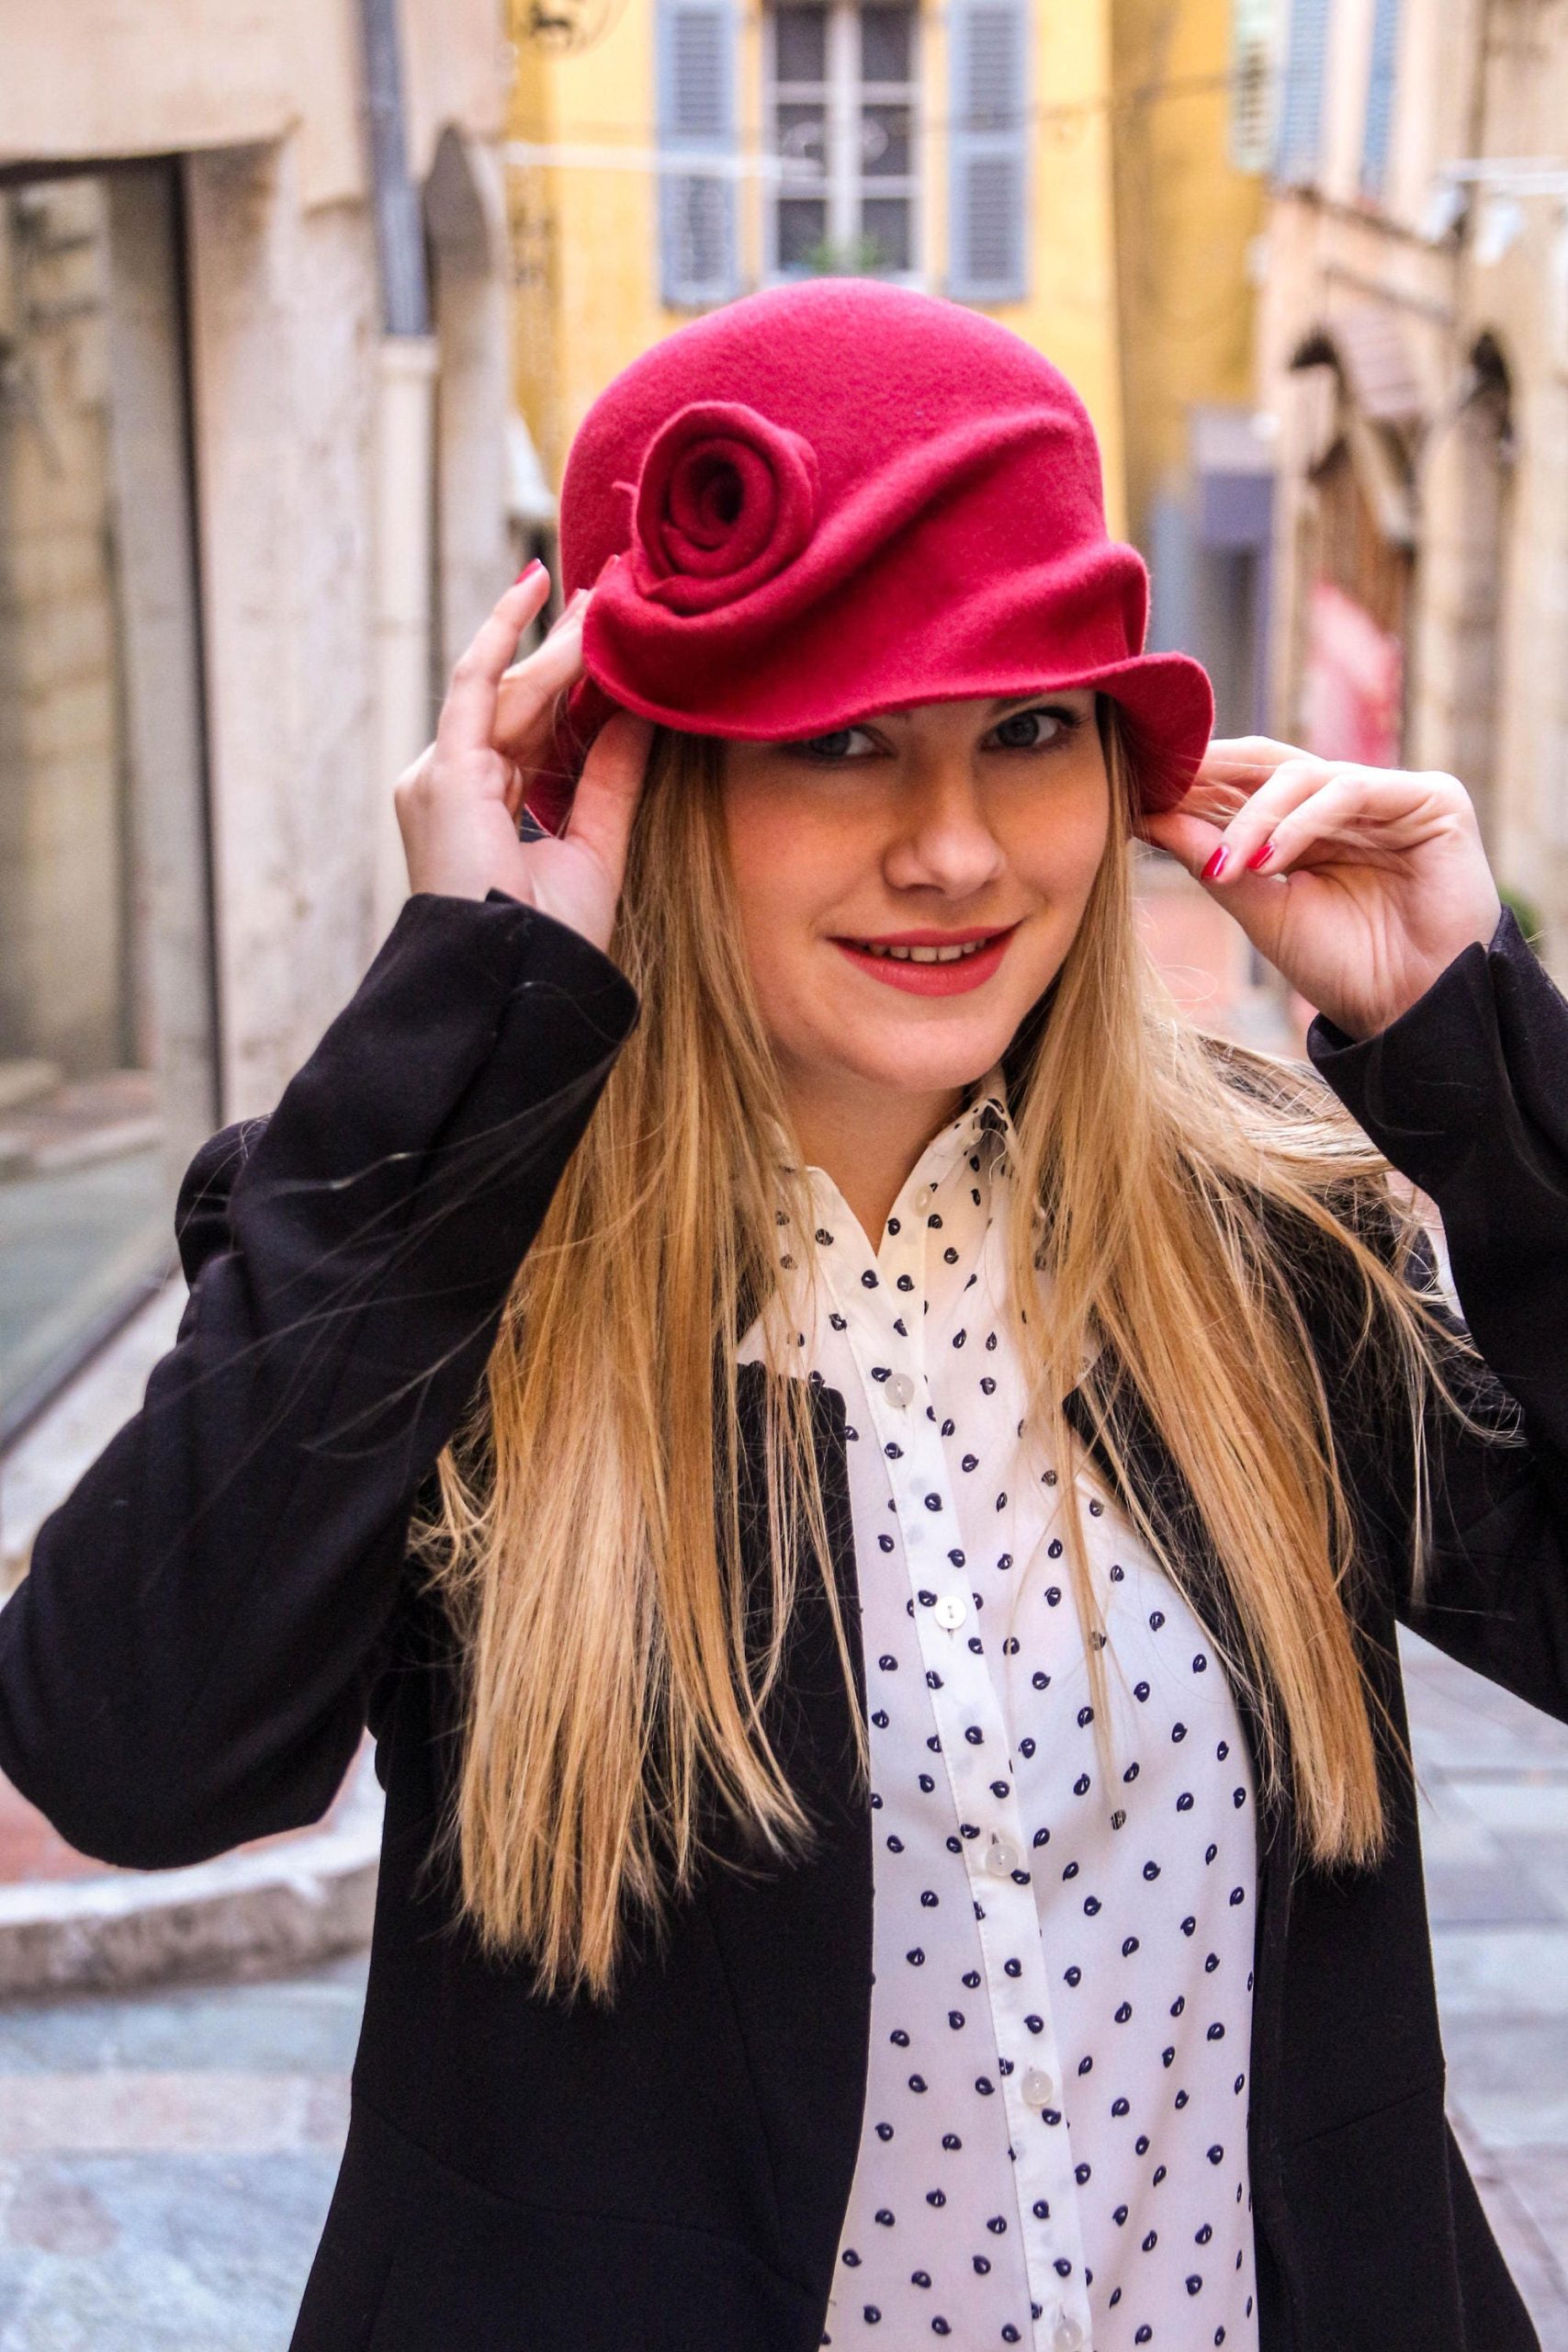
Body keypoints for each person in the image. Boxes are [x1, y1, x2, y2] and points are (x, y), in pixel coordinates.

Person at [0, 277, 1563, 2352]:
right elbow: (128, 1750)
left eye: (1024, 726)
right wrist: (469, 999)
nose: (950, 846)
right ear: (635, 766)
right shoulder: (438, 1259)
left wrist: (1481, 1062)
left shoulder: (1260, 1254)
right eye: (835, 740)